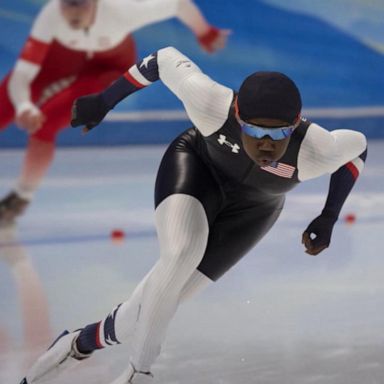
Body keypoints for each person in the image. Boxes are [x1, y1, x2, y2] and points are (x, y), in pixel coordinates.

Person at [19, 47, 367, 384]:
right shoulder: (209, 102)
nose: (265, 144)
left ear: (294, 127)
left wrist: (329, 215)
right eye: (254, 131)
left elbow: (358, 148)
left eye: (277, 134)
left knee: (152, 309)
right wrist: (103, 102)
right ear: (235, 115)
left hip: (257, 208)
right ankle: (140, 372)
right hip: (197, 170)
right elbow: (163, 58)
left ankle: (76, 345)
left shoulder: (316, 150)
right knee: (182, 252)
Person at [0, 0, 229, 224]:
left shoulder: (120, 10)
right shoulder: (51, 15)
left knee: (45, 123)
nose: (73, 11)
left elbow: (178, 5)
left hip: (107, 67)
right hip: (63, 58)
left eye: (80, 3)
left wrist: (204, 32)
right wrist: (24, 106)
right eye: (67, 3)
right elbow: (21, 75)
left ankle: (21, 196)